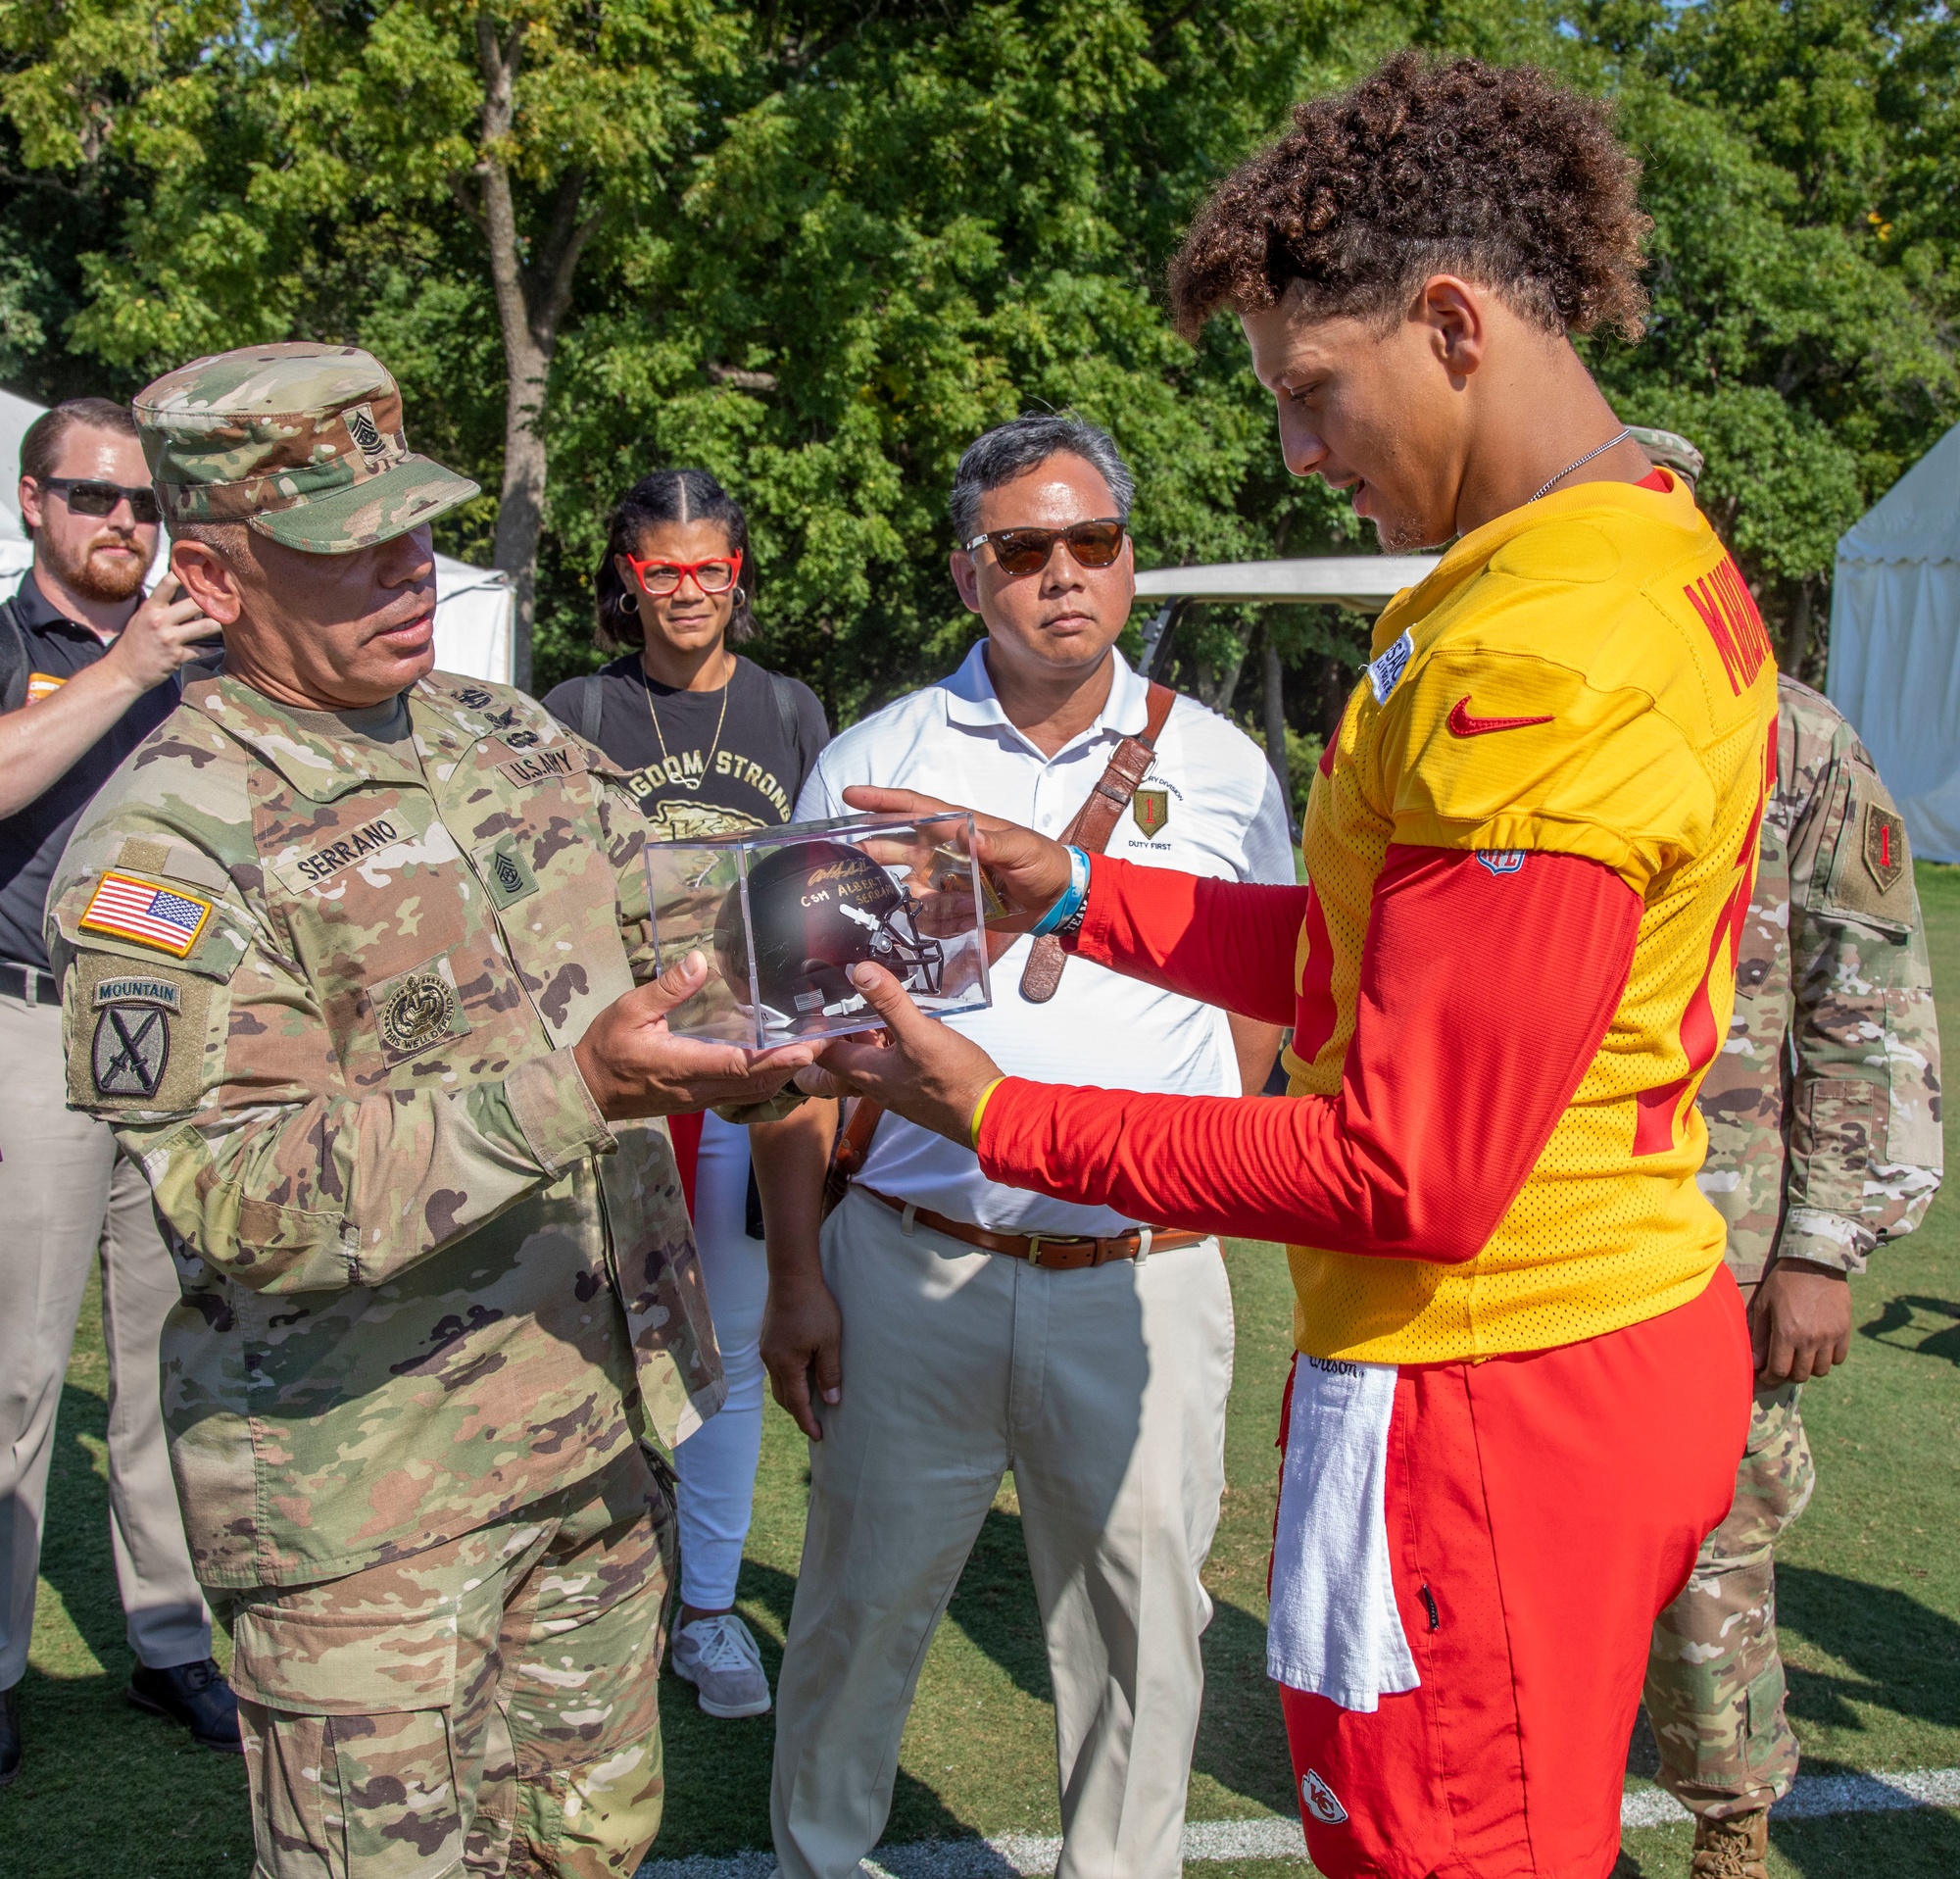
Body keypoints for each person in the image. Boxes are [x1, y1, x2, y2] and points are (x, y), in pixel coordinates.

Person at [796, 54, 1774, 1879]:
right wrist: (1078, 899)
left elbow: (1412, 1162)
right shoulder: (1582, 561)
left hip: (1486, 1373)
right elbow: (1373, 956)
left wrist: (1000, 1110)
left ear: (1454, 323)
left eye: (1313, 393)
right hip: (1565, 1334)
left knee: (1442, 1850)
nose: (1302, 453)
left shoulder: (1541, 645)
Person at [44, 341, 816, 1878]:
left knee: (591, 1848)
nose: (412, 569)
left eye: (413, 525)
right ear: (213, 572)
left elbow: (678, 903)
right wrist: (578, 1086)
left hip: (592, 1437)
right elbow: (239, 1191)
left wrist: (882, 888)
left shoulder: (499, 732)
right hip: (368, 1515)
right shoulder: (169, 842)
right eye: (350, 547)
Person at [764, 413, 1295, 1879]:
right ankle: (822, 1859)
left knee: (1142, 1630)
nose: (1066, 573)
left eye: (1096, 542)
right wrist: (799, 1274)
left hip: (1141, 1274)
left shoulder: (1230, 764)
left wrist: (1194, 1165)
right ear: (967, 570)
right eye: (1025, 548)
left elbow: (1265, 1001)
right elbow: (804, 1050)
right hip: (914, 1266)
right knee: (859, 1610)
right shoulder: (879, 761)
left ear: (1130, 558)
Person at [543, 470, 830, 1720]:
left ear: (740, 574)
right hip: (612, 1074)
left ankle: (706, 1610)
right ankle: (584, 1591)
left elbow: (821, 895)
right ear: (624, 578)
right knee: (581, 1342)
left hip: (747, 1083)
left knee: (720, 1349)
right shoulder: (574, 707)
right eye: (661, 570)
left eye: (710, 568)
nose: (688, 593)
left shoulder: (789, 708)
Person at [1649, 675, 1941, 1879]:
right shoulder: (1505, 673)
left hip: (1721, 1236)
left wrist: (1822, 1244)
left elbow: (1861, 990)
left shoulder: (1786, 728)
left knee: (1712, 1547)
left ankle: (1731, 1835)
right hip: (1518, 1223)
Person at [0, 397, 235, 1785]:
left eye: (145, 506)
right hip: (30, 1025)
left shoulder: (198, 652)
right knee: (21, 1366)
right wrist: (126, 663)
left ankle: (168, 1641)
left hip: (172, 1027)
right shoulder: (35, 640)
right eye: (97, 498)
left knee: (170, 1356)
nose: (125, 526)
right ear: (35, 501)